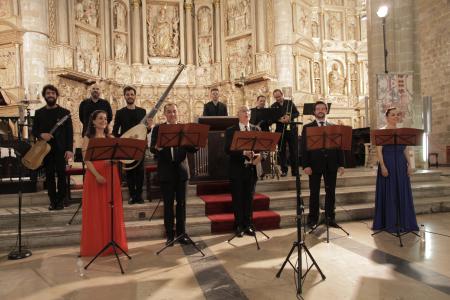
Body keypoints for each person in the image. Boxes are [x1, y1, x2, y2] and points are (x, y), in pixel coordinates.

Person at [80, 110, 128, 256]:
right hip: (95, 175)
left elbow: (118, 156)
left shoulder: (111, 137)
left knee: (111, 209)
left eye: (105, 118)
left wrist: (115, 159)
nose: (103, 121)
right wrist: (97, 175)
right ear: (93, 121)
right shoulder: (88, 138)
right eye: (100, 118)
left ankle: (112, 244)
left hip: (110, 174)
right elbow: (87, 160)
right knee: (96, 209)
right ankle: (96, 245)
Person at [150, 103, 198, 246]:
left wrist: (196, 143)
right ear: (164, 114)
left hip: (182, 171)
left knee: (182, 204)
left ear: (178, 113)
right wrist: (156, 148)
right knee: (168, 205)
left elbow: (191, 148)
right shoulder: (158, 128)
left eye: (174, 111)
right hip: (166, 172)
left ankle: (182, 234)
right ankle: (170, 236)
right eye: (169, 112)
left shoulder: (184, 128)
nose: (172, 114)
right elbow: (152, 148)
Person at [372, 107, 419, 232]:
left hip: (401, 164)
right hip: (387, 163)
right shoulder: (381, 132)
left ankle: (403, 221)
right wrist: (382, 166)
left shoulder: (403, 132)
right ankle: (389, 222)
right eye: (393, 115)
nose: (395, 117)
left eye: (397, 115)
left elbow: (405, 150)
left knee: (402, 191)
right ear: (386, 117)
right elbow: (379, 151)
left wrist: (410, 165)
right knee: (390, 192)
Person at [302, 100, 344, 228]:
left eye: (323, 108)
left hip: (331, 164)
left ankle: (330, 218)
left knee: (331, 192)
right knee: (314, 192)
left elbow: (339, 147)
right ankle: (313, 219)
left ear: (326, 110)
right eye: (318, 109)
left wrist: (341, 164)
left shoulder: (333, 127)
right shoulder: (307, 127)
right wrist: (306, 165)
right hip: (314, 165)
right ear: (314, 112)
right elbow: (303, 148)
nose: (320, 110)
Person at [32, 84, 73, 210]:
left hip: (61, 149)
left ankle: (60, 200)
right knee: (49, 176)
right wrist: (41, 134)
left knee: (61, 175)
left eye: (53, 93)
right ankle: (52, 201)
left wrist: (69, 149)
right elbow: (34, 130)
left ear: (56, 96)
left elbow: (69, 133)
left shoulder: (65, 113)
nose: (50, 95)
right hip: (45, 150)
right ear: (44, 95)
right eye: (48, 93)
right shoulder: (39, 113)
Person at [225, 106, 263, 237]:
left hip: (252, 169)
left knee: (249, 198)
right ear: (238, 115)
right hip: (237, 169)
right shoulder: (231, 130)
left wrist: (259, 156)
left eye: (248, 112)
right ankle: (239, 225)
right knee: (238, 198)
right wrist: (243, 152)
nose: (246, 113)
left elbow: (262, 147)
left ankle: (248, 224)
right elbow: (227, 149)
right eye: (243, 111)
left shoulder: (256, 129)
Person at [112, 86, 146, 204]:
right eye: (127, 94)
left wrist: (150, 128)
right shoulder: (120, 113)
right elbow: (115, 131)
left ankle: (139, 195)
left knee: (140, 171)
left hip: (140, 145)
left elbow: (145, 130)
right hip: (126, 146)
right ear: (124, 96)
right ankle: (132, 196)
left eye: (132, 94)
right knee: (130, 172)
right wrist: (125, 138)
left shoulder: (142, 112)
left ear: (135, 96)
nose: (130, 96)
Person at [271, 89, 299, 177]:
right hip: (280, 130)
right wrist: (279, 119)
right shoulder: (273, 106)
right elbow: (272, 118)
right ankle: (284, 170)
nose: (278, 99)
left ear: (282, 95)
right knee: (281, 151)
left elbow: (297, 113)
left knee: (293, 151)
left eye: (279, 96)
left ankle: (295, 171)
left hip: (291, 130)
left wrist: (289, 117)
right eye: (276, 97)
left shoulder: (290, 103)